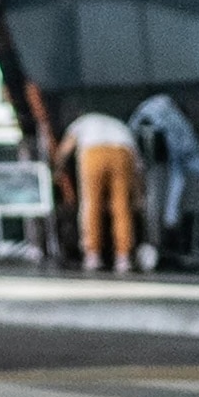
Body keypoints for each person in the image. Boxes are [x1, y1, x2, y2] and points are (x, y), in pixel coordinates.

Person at [129, 90, 199, 271]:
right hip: (175, 169)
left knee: (167, 206)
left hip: (170, 169)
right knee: (179, 207)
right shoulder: (169, 116)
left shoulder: (151, 114)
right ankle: (173, 240)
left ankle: (168, 241)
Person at [60, 105, 142, 272]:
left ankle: (93, 255)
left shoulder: (82, 122)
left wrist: (57, 168)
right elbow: (138, 164)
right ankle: (123, 258)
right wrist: (140, 193)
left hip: (93, 151)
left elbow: (66, 148)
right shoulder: (119, 124)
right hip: (123, 151)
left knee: (91, 204)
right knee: (121, 206)